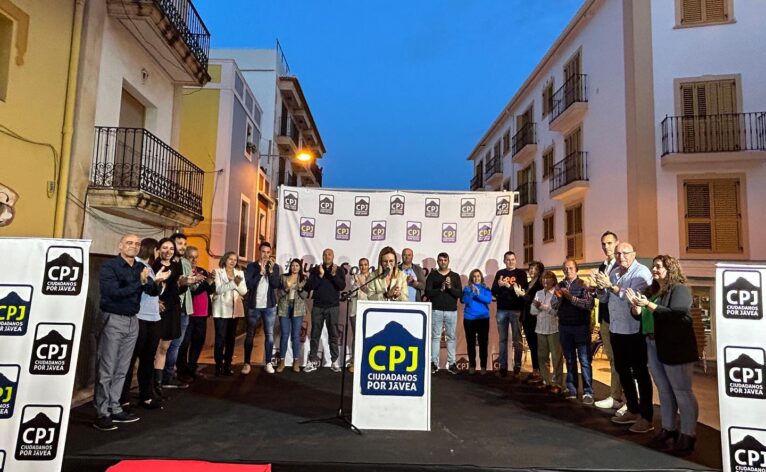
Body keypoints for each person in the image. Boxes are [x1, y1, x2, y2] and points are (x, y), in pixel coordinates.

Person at [627, 255, 699, 454]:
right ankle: (668, 429)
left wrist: (648, 305)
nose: (654, 269)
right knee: (665, 392)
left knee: (682, 392)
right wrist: (635, 307)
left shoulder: (679, 289)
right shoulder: (653, 291)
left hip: (676, 347)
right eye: (654, 266)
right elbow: (643, 315)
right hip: (652, 343)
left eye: (659, 266)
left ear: (670, 268)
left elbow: (677, 313)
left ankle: (688, 435)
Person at [94, 234, 159, 431]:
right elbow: (112, 293)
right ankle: (101, 412)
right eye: (129, 243)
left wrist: (150, 281)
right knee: (107, 368)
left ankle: (115, 407)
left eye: (137, 244)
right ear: (121, 245)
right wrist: (139, 283)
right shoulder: (110, 267)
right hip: (113, 319)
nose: (134, 246)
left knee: (122, 368)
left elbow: (153, 291)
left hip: (133, 320)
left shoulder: (141, 268)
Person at [594, 242, 654, 433]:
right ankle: (633, 409)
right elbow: (604, 299)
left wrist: (610, 286)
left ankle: (646, 417)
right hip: (616, 329)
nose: (621, 257)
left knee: (640, 374)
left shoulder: (641, 273)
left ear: (634, 254)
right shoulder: (614, 273)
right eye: (618, 253)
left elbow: (633, 297)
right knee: (622, 371)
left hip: (634, 330)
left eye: (625, 253)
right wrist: (601, 288)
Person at [121, 238, 169, 411]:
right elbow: (145, 289)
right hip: (140, 318)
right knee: (131, 359)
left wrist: (159, 289)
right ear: (153, 250)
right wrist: (157, 282)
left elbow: (153, 292)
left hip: (153, 318)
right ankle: (123, 399)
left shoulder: (149, 267)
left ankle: (146, 396)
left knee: (148, 359)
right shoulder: (138, 266)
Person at [551, 258, 595, 404]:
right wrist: (558, 298)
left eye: (570, 268)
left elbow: (589, 304)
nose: (568, 271)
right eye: (565, 268)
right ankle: (572, 388)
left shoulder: (583, 285)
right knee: (569, 359)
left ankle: (588, 391)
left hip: (580, 327)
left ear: (577, 269)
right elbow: (554, 305)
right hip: (564, 326)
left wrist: (571, 298)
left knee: (584, 360)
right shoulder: (560, 285)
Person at [592, 231, 625, 411]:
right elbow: (602, 295)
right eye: (604, 244)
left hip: (622, 319)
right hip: (606, 318)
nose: (607, 247)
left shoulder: (622, 266)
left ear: (617, 243)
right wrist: (596, 287)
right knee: (613, 359)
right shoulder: (602, 266)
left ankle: (628, 401)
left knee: (624, 361)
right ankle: (615, 396)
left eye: (610, 243)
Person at [164, 232, 201, 387]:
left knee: (177, 345)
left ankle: (171, 375)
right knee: (165, 345)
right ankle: (163, 378)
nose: (182, 247)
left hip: (185, 308)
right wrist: (183, 282)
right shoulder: (167, 263)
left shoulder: (185, 263)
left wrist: (195, 281)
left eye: (184, 244)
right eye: (180, 244)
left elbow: (191, 288)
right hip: (171, 308)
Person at [152, 238, 187, 397]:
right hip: (158, 310)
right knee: (155, 347)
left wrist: (185, 283)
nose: (168, 251)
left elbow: (176, 289)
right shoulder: (154, 266)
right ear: (158, 249)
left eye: (171, 248)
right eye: (165, 248)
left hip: (172, 309)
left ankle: (159, 385)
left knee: (165, 347)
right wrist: (156, 300)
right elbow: (150, 288)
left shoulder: (175, 266)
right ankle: (152, 384)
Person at [304, 248, 346, 373]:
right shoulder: (316, 270)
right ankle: (312, 360)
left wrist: (333, 276)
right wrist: (320, 276)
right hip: (318, 306)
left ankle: (334, 361)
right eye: (325, 254)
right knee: (315, 334)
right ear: (322, 256)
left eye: (329, 254)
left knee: (333, 335)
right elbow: (309, 286)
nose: (327, 256)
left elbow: (342, 286)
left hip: (333, 307)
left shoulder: (338, 270)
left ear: (333, 256)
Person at [244, 241, 282, 374]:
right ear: (259, 252)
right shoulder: (251, 267)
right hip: (254, 306)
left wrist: (270, 272)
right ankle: (247, 363)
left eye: (267, 252)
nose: (265, 255)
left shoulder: (275, 267)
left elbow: (275, 284)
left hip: (269, 307)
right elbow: (249, 284)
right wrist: (260, 273)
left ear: (270, 253)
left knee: (269, 335)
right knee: (250, 335)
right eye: (263, 252)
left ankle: (268, 362)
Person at [491, 251, 528, 378]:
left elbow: (522, 291)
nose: (510, 261)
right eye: (507, 259)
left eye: (512, 259)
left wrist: (507, 285)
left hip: (516, 310)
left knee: (517, 340)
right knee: (502, 340)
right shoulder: (499, 273)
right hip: (502, 310)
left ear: (516, 260)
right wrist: (500, 286)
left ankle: (517, 366)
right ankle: (503, 367)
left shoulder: (521, 273)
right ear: (504, 261)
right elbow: (493, 291)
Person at [425, 252, 462, 374]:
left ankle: (452, 364)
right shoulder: (432, 276)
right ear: (437, 261)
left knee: (451, 337)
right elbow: (428, 293)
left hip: (451, 311)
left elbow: (460, 294)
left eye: (445, 260)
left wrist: (450, 287)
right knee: (435, 337)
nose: (442, 262)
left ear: (448, 261)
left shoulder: (455, 276)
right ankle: (433, 363)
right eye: (440, 260)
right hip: (436, 310)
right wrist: (440, 289)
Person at [212, 251, 247, 376]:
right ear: (225, 260)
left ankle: (228, 365)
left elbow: (243, 291)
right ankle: (218, 365)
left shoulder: (240, 273)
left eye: (235, 259)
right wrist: (233, 283)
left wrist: (235, 284)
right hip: (221, 309)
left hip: (234, 310)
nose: (233, 262)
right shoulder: (217, 272)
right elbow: (218, 289)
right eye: (230, 259)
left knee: (230, 339)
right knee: (220, 338)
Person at [530, 270, 564, 394]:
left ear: (553, 280)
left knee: (556, 358)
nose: (545, 281)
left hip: (554, 329)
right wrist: (541, 307)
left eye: (548, 278)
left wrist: (541, 306)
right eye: (544, 278)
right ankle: (546, 381)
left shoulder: (556, 293)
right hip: (540, 329)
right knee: (542, 357)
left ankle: (557, 383)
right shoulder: (538, 293)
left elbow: (555, 312)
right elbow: (532, 311)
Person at [186, 246, 215, 380]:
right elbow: (194, 290)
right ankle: (182, 370)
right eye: (191, 257)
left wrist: (212, 280)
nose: (194, 260)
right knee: (185, 343)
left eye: (196, 257)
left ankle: (192, 367)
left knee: (198, 342)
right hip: (190, 313)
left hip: (202, 314)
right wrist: (206, 282)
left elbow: (209, 289)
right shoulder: (186, 272)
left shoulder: (201, 271)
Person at [276, 258, 308, 373]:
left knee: (295, 336)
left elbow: (305, 295)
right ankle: (282, 361)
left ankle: (296, 361)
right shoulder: (283, 277)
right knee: (284, 335)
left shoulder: (303, 278)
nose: (295, 267)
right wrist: (286, 289)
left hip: (298, 309)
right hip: (285, 307)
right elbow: (279, 294)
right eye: (293, 265)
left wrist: (299, 288)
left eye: (297, 266)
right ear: (290, 267)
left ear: (300, 267)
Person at [461, 269, 492, 374]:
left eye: (478, 276)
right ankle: (472, 366)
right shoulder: (467, 289)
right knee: (471, 343)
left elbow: (488, 300)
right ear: (471, 278)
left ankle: (483, 366)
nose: (476, 278)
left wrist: (478, 294)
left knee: (483, 343)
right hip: (469, 319)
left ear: (481, 277)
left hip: (483, 319)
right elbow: (465, 301)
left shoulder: (485, 288)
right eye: (474, 276)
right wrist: (472, 294)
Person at [520, 261, 544, 384]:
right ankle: (535, 370)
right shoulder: (528, 284)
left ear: (539, 271)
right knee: (532, 345)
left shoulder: (540, 285)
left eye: (535, 269)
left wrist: (523, 295)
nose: (532, 271)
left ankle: (540, 372)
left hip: (535, 319)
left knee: (537, 345)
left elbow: (536, 301)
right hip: (526, 318)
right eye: (530, 268)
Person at [347, 258, 371, 373]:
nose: (363, 267)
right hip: (355, 310)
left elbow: (371, 293)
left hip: (369, 311)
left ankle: (367, 361)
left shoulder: (373, 277)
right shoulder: (354, 277)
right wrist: (357, 284)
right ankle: (355, 361)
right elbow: (352, 292)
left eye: (365, 264)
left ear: (369, 266)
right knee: (357, 336)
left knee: (369, 336)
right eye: (361, 265)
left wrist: (362, 285)